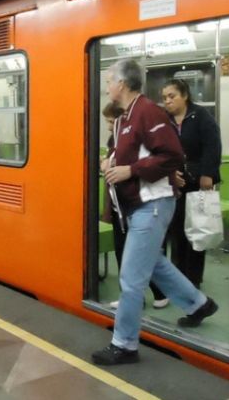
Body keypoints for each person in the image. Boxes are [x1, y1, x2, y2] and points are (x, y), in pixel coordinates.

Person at [92, 59, 217, 366]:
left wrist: (130, 170)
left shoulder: (148, 112)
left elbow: (172, 155)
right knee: (155, 264)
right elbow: (125, 154)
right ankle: (198, 304)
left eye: (109, 81)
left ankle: (124, 344)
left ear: (122, 84)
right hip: (136, 206)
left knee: (131, 277)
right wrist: (110, 162)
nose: (107, 87)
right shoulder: (124, 118)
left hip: (153, 204)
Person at [100, 102, 168, 309]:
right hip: (119, 203)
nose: (109, 126)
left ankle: (158, 293)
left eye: (111, 121)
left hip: (134, 203)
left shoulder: (135, 139)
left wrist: (113, 165)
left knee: (139, 253)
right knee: (125, 251)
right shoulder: (114, 138)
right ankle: (134, 296)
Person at [161, 78, 222, 288]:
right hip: (174, 183)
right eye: (164, 98)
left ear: (185, 95)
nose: (167, 101)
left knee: (196, 229)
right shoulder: (164, 120)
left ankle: (193, 278)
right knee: (177, 231)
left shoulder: (200, 115)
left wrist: (208, 174)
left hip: (197, 182)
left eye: (172, 96)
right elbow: (160, 150)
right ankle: (178, 276)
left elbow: (212, 146)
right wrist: (170, 174)